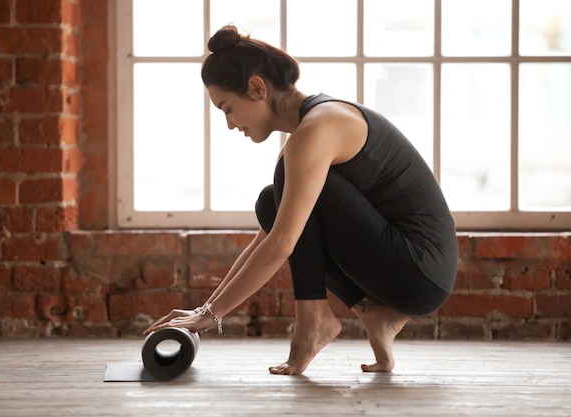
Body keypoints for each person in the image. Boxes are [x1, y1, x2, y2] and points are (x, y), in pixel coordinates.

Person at [144, 24, 457, 375]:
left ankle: (313, 320)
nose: (230, 124)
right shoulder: (315, 125)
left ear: (257, 88)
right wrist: (207, 308)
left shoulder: (317, 129)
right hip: (414, 269)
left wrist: (211, 315)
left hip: (420, 269)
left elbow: (283, 243)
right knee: (271, 201)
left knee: (282, 183)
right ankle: (374, 314)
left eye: (227, 108)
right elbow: (270, 236)